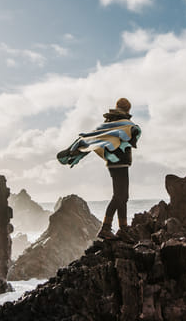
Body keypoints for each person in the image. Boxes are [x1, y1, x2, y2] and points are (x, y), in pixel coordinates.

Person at [56, 98, 141, 241]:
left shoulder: (109, 123)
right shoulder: (124, 123)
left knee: (122, 197)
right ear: (128, 110)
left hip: (114, 163)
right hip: (119, 163)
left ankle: (123, 228)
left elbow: (95, 136)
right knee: (120, 196)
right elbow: (133, 134)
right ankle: (106, 228)